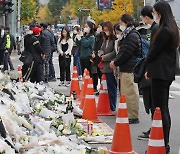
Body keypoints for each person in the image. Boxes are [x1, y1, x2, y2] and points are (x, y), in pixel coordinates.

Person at [144, 1, 179, 153]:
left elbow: (154, 52)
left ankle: (162, 143)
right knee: (163, 108)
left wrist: (145, 66)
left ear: (160, 12)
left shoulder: (164, 30)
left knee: (159, 109)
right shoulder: (173, 29)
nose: (154, 15)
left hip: (159, 72)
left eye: (155, 12)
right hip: (166, 72)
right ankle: (163, 143)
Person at [110, 14, 141, 124]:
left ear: (126, 22)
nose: (121, 25)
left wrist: (116, 62)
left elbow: (126, 52)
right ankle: (127, 113)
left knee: (130, 92)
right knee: (125, 92)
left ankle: (132, 115)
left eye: (121, 22)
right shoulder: (128, 34)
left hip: (129, 67)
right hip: (125, 67)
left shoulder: (131, 35)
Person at [137, 5, 159, 140]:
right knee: (152, 103)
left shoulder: (156, 30)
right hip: (152, 69)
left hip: (153, 70)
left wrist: (147, 68)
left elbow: (153, 52)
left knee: (155, 103)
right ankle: (154, 128)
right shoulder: (153, 29)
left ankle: (156, 130)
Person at [99, 21, 117, 111]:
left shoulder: (114, 40)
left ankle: (112, 105)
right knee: (107, 87)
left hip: (111, 65)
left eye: (107, 30)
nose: (105, 31)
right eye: (104, 30)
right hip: (105, 66)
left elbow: (115, 52)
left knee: (112, 87)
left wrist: (105, 57)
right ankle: (108, 104)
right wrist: (101, 53)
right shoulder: (105, 40)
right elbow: (101, 49)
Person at [91, 22, 104, 94]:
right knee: (96, 73)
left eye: (100, 27)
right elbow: (95, 45)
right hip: (96, 57)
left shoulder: (104, 37)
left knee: (101, 74)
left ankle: (102, 88)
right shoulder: (97, 36)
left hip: (101, 57)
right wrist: (93, 52)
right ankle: (97, 87)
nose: (98, 28)